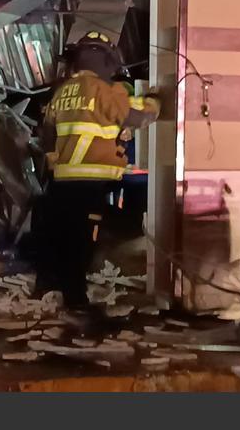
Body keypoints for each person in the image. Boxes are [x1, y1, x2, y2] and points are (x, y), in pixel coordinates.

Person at [35, 31, 160, 308]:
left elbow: (47, 136)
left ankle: (64, 293)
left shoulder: (62, 91)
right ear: (106, 61)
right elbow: (136, 117)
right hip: (91, 182)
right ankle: (77, 303)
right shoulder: (104, 90)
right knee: (84, 242)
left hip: (63, 182)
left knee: (67, 238)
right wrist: (156, 101)